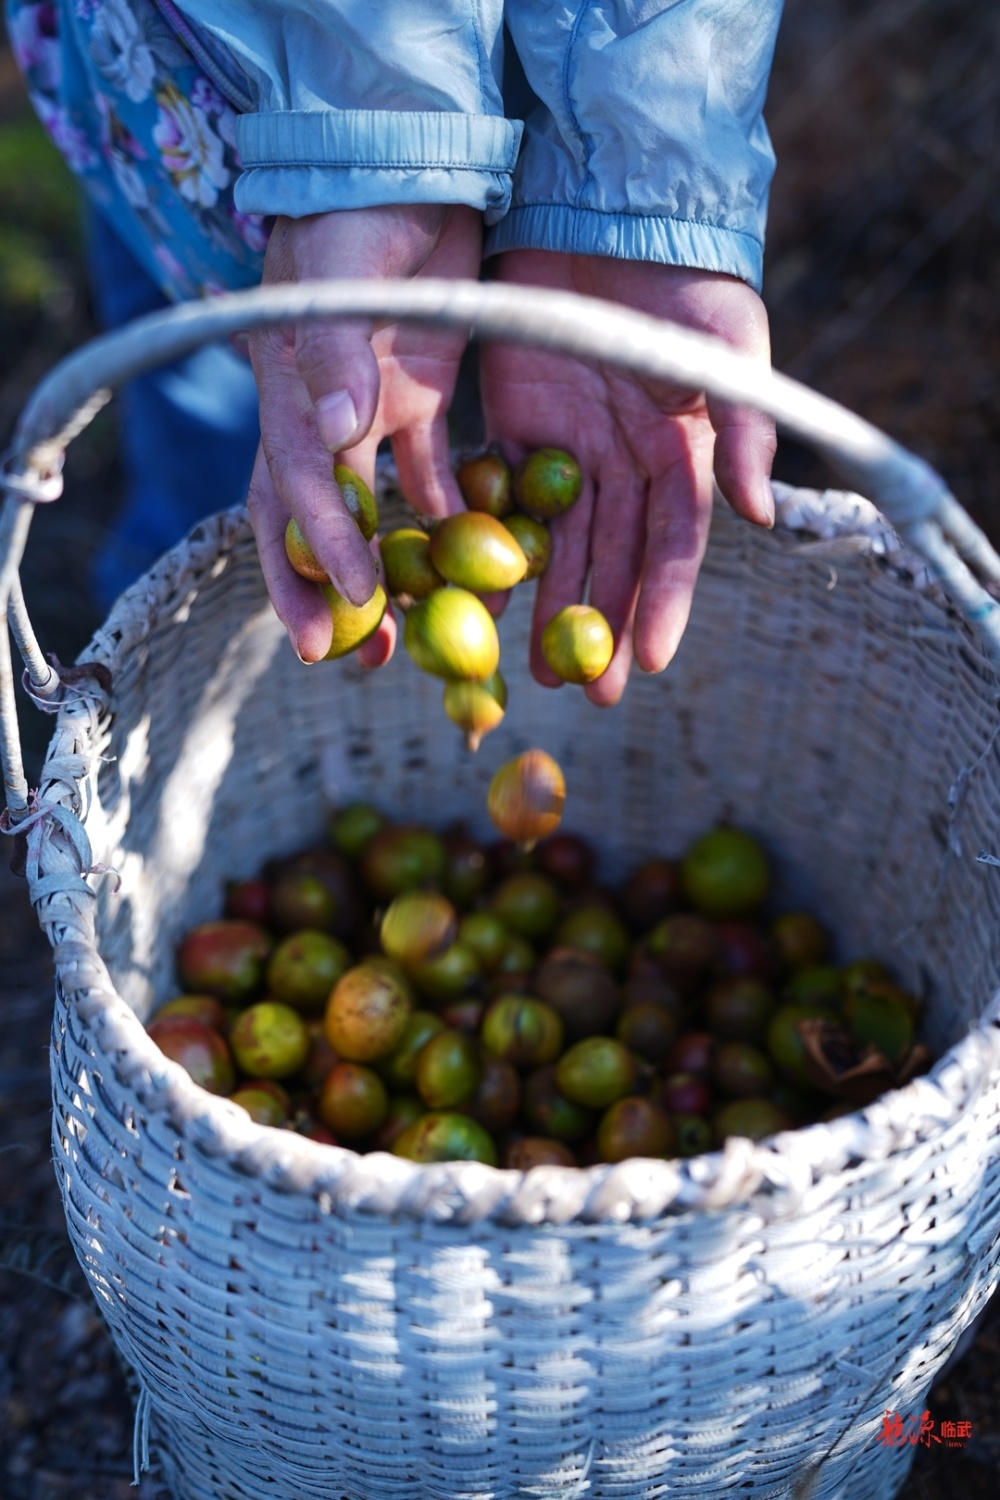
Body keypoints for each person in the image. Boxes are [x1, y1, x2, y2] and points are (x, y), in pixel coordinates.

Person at [7, 0, 783, 705]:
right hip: (145, 94)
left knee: (271, 436)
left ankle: (189, 650)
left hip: (353, 162)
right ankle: (156, 657)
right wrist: (378, 154)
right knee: (193, 414)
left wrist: (636, 192)